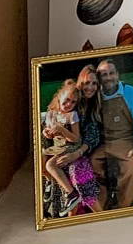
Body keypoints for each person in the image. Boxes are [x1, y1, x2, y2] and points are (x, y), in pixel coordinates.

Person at [90, 57, 133, 209]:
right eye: (104, 74)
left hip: (127, 141)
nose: (108, 77)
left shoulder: (129, 91)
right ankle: (102, 201)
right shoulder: (96, 95)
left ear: (118, 74)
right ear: (99, 78)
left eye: (111, 73)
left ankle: (123, 206)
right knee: (93, 162)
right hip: (105, 142)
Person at [40, 79, 101, 212]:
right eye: (67, 100)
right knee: (41, 161)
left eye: (73, 102)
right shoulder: (51, 114)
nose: (69, 104)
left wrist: (62, 130)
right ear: (59, 96)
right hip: (59, 148)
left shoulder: (73, 115)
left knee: (57, 167)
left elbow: (77, 138)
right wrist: (47, 133)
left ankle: (73, 196)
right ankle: (50, 182)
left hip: (73, 148)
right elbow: (48, 132)